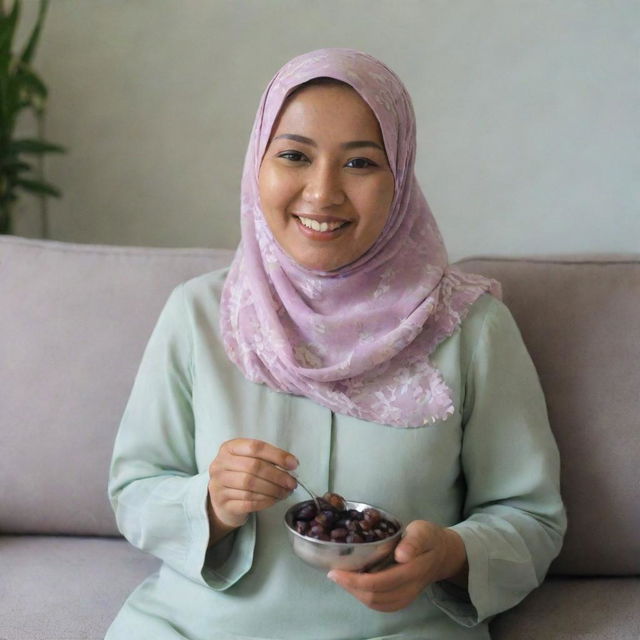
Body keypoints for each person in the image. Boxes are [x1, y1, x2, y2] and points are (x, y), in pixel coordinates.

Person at [106, 48, 566, 639]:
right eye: (294, 155)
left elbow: (532, 519)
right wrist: (211, 503)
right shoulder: (197, 313)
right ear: (257, 165)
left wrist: (449, 553)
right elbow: (135, 490)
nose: (322, 194)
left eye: (361, 164)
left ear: (400, 175)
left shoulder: (471, 327)